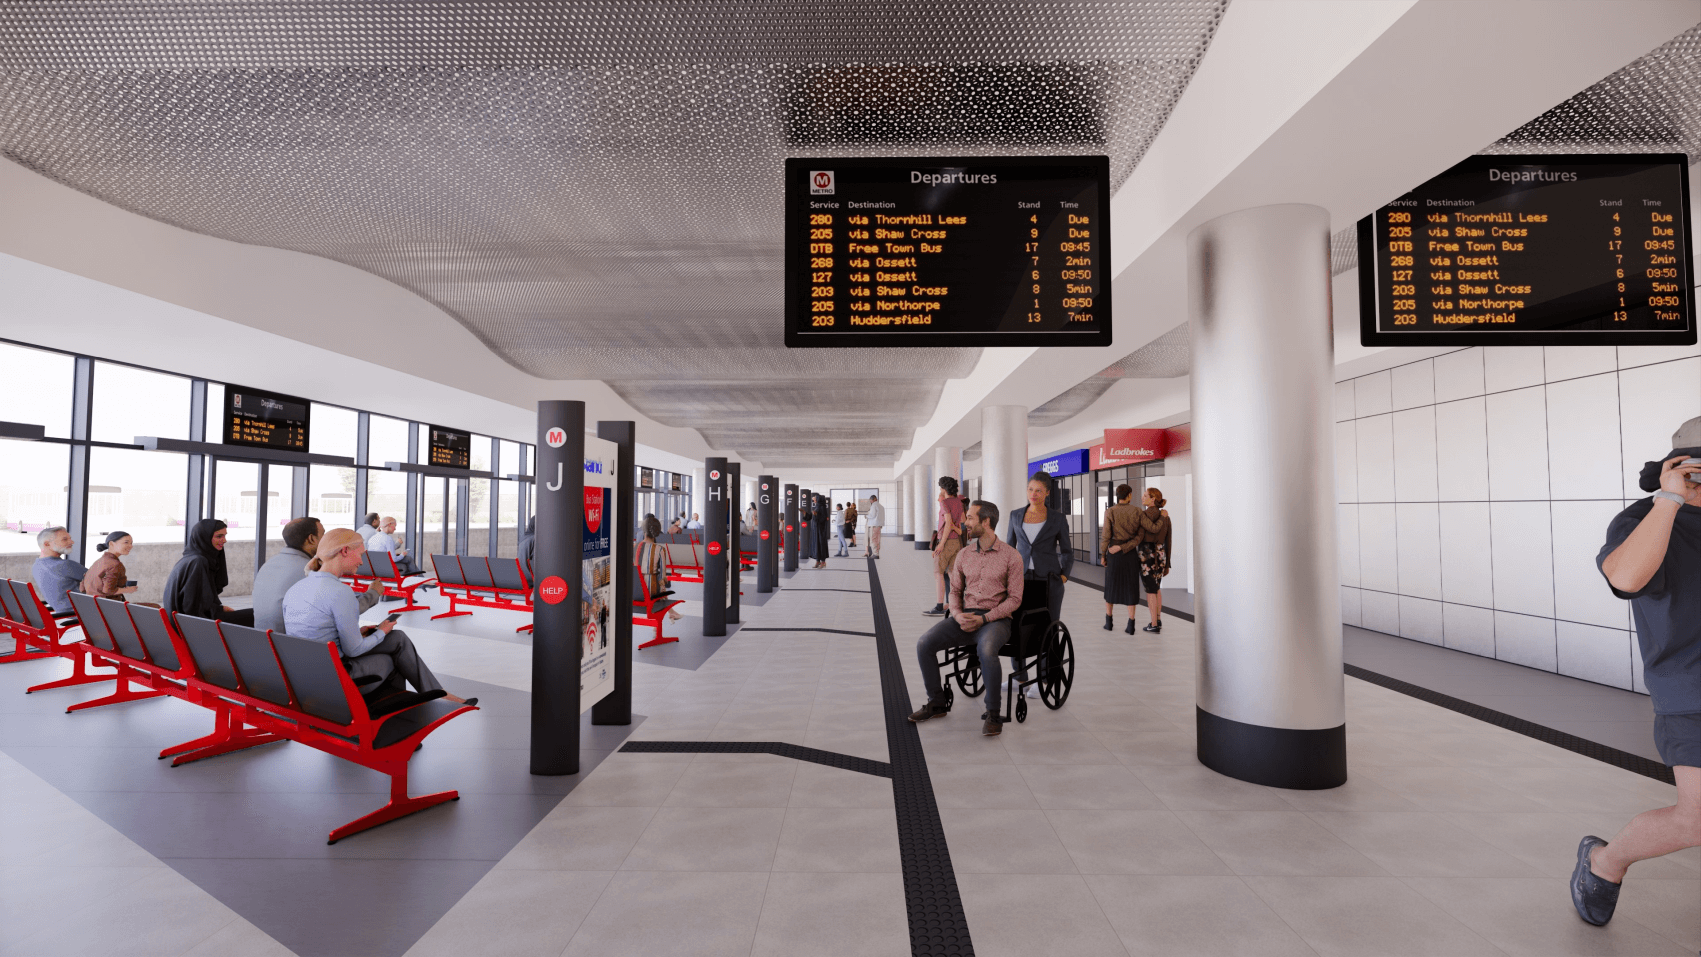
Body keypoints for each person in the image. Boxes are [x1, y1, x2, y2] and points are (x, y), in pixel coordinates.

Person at [1571, 418, 1700, 928]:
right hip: (1690, 689)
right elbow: (1625, 579)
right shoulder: (1644, 520)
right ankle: (1605, 862)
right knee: (1694, 820)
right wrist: (1668, 500)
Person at [282, 528, 474, 705]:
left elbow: (318, 631)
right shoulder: (340, 592)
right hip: (337, 678)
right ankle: (397, 720)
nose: (361, 561)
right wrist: (381, 631)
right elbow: (354, 650)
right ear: (345, 551)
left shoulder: (296, 588)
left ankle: (436, 694)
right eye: (361, 554)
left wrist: (361, 632)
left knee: (397, 638)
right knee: (394, 659)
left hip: (308, 673)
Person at [908, 500, 1024, 736]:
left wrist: (984, 619)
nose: (965, 522)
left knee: (988, 649)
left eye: (970, 518)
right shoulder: (963, 554)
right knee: (924, 644)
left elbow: (1014, 599)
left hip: (995, 620)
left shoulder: (1012, 556)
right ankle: (937, 702)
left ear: (986, 522)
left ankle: (993, 713)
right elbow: (955, 591)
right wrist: (958, 614)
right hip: (963, 617)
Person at [1006, 472, 1073, 697]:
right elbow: (1009, 548)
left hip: (1049, 581)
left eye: (1038, 490)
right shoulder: (1015, 515)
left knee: (1048, 627)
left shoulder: (1057, 518)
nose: (1033, 494)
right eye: (1030, 489)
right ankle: (1019, 675)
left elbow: (1067, 551)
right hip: (1021, 579)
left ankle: (1044, 678)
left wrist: (1063, 576)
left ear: (1046, 492)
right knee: (1017, 624)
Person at [253, 516, 382, 632]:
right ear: (311, 539)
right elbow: (346, 610)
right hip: (295, 646)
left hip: (266, 641)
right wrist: (373, 593)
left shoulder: (268, 564)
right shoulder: (307, 572)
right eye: (324, 536)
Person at [161, 518, 254, 626]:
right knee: (255, 615)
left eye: (225, 535)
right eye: (219, 536)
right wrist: (217, 610)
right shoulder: (198, 562)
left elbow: (195, 601)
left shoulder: (189, 559)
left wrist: (220, 608)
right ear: (204, 538)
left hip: (185, 624)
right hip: (194, 627)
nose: (224, 540)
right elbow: (192, 608)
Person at [1100, 485, 1142, 632]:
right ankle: (1131, 625)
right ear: (1129, 495)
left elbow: (1105, 536)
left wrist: (1103, 555)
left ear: (1118, 495)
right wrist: (1125, 547)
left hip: (1113, 553)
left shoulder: (1110, 511)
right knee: (1131, 587)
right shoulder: (1137, 511)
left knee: (1110, 587)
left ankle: (1109, 622)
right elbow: (1139, 537)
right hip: (1130, 554)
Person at [923, 476, 965, 616]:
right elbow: (963, 520)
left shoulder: (945, 503)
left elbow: (947, 522)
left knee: (938, 573)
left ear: (944, 489)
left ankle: (939, 607)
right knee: (952, 574)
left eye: (941, 487)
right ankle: (954, 605)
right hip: (957, 543)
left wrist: (940, 544)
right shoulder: (959, 502)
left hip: (946, 541)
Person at [1134, 488, 1173, 633]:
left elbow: (1139, 536)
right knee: (1156, 588)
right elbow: (1168, 540)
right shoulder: (1165, 516)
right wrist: (1168, 563)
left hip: (1147, 556)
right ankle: (1158, 619)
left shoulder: (1143, 515)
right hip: (1161, 555)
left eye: (1145, 495)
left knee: (1150, 590)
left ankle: (1154, 623)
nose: (1142, 497)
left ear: (1152, 499)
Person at [31, 526, 86, 616]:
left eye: (70, 538)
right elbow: (98, 578)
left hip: (61, 613)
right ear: (47, 544)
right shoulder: (65, 565)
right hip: (80, 615)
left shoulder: (36, 565)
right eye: (65, 539)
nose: (72, 542)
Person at [637, 514, 683, 621]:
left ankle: (671, 614)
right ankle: (669, 615)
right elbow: (662, 578)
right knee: (660, 586)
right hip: (650, 593)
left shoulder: (634, 547)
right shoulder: (659, 549)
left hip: (634, 592)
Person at [82, 530, 144, 602]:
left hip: (93, 605)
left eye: (131, 543)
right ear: (111, 544)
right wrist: (128, 590)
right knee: (156, 607)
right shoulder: (115, 564)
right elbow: (108, 590)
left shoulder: (98, 562)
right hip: (109, 607)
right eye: (126, 542)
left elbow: (82, 587)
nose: (131, 546)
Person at [865, 494, 884, 558]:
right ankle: (877, 552)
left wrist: (866, 516)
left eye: (870, 500)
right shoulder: (881, 506)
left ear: (871, 500)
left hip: (874, 524)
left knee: (873, 539)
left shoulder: (874, 505)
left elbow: (872, 515)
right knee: (878, 539)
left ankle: (875, 554)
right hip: (879, 525)